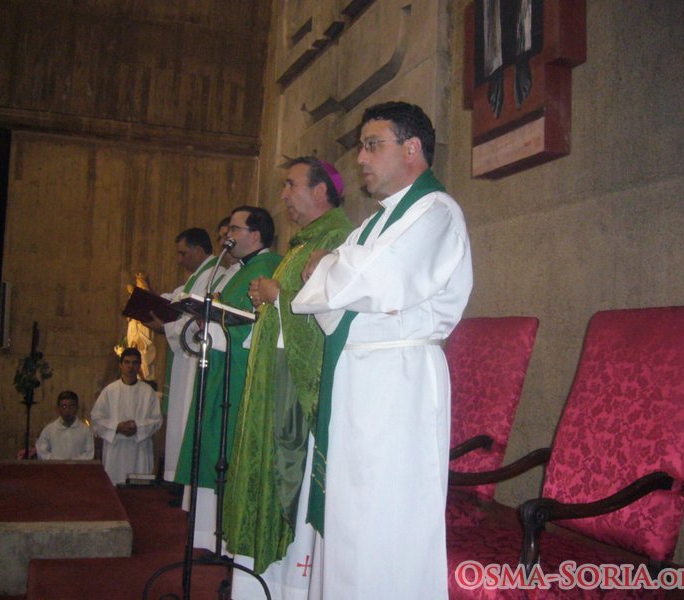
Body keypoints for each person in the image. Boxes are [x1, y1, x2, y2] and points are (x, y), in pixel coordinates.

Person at [291, 101, 473, 599]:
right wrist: (334, 270)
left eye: (373, 145)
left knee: (386, 516)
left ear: (412, 148)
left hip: (398, 382)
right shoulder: (376, 223)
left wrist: (331, 267)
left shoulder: (435, 212)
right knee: (350, 514)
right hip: (360, 377)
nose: (361, 159)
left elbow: (371, 279)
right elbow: (334, 291)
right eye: (361, 147)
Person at [223, 157, 353, 599]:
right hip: (273, 375)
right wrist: (269, 297)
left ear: (320, 191)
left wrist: (277, 293)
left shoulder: (336, 237)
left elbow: (333, 310)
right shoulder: (303, 244)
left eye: (290, 185)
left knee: (285, 476)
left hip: (294, 384)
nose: (283, 195)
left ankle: (283, 586)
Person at [174, 206, 281, 550]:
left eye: (235, 229)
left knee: (224, 448)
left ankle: (221, 537)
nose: (228, 237)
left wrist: (215, 323)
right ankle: (209, 536)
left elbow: (256, 324)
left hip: (238, 376)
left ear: (256, 235)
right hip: (222, 369)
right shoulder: (242, 269)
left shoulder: (265, 268)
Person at [144, 228, 223, 483]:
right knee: (180, 419)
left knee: (188, 417)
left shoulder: (213, 275)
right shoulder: (197, 277)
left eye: (182, 253)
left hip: (195, 359)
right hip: (185, 360)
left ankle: (184, 482)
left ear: (198, 250)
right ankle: (180, 481)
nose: (179, 260)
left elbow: (194, 318)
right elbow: (176, 299)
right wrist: (151, 302)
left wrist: (164, 327)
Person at [91, 348, 164, 485]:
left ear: (139, 365)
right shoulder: (109, 391)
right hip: (115, 450)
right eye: (127, 362)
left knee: (138, 490)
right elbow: (96, 419)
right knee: (114, 489)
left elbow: (157, 420)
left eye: (135, 363)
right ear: (121, 365)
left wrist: (137, 427)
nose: (131, 366)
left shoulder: (148, 392)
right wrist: (116, 427)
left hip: (139, 450)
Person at [35, 390, 94, 460]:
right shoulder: (49, 430)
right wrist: (56, 461)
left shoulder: (85, 430)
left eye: (71, 406)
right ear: (58, 409)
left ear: (77, 408)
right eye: (64, 406)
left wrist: (73, 462)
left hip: (78, 466)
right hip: (54, 465)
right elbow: (42, 451)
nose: (67, 410)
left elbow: (89, 453)